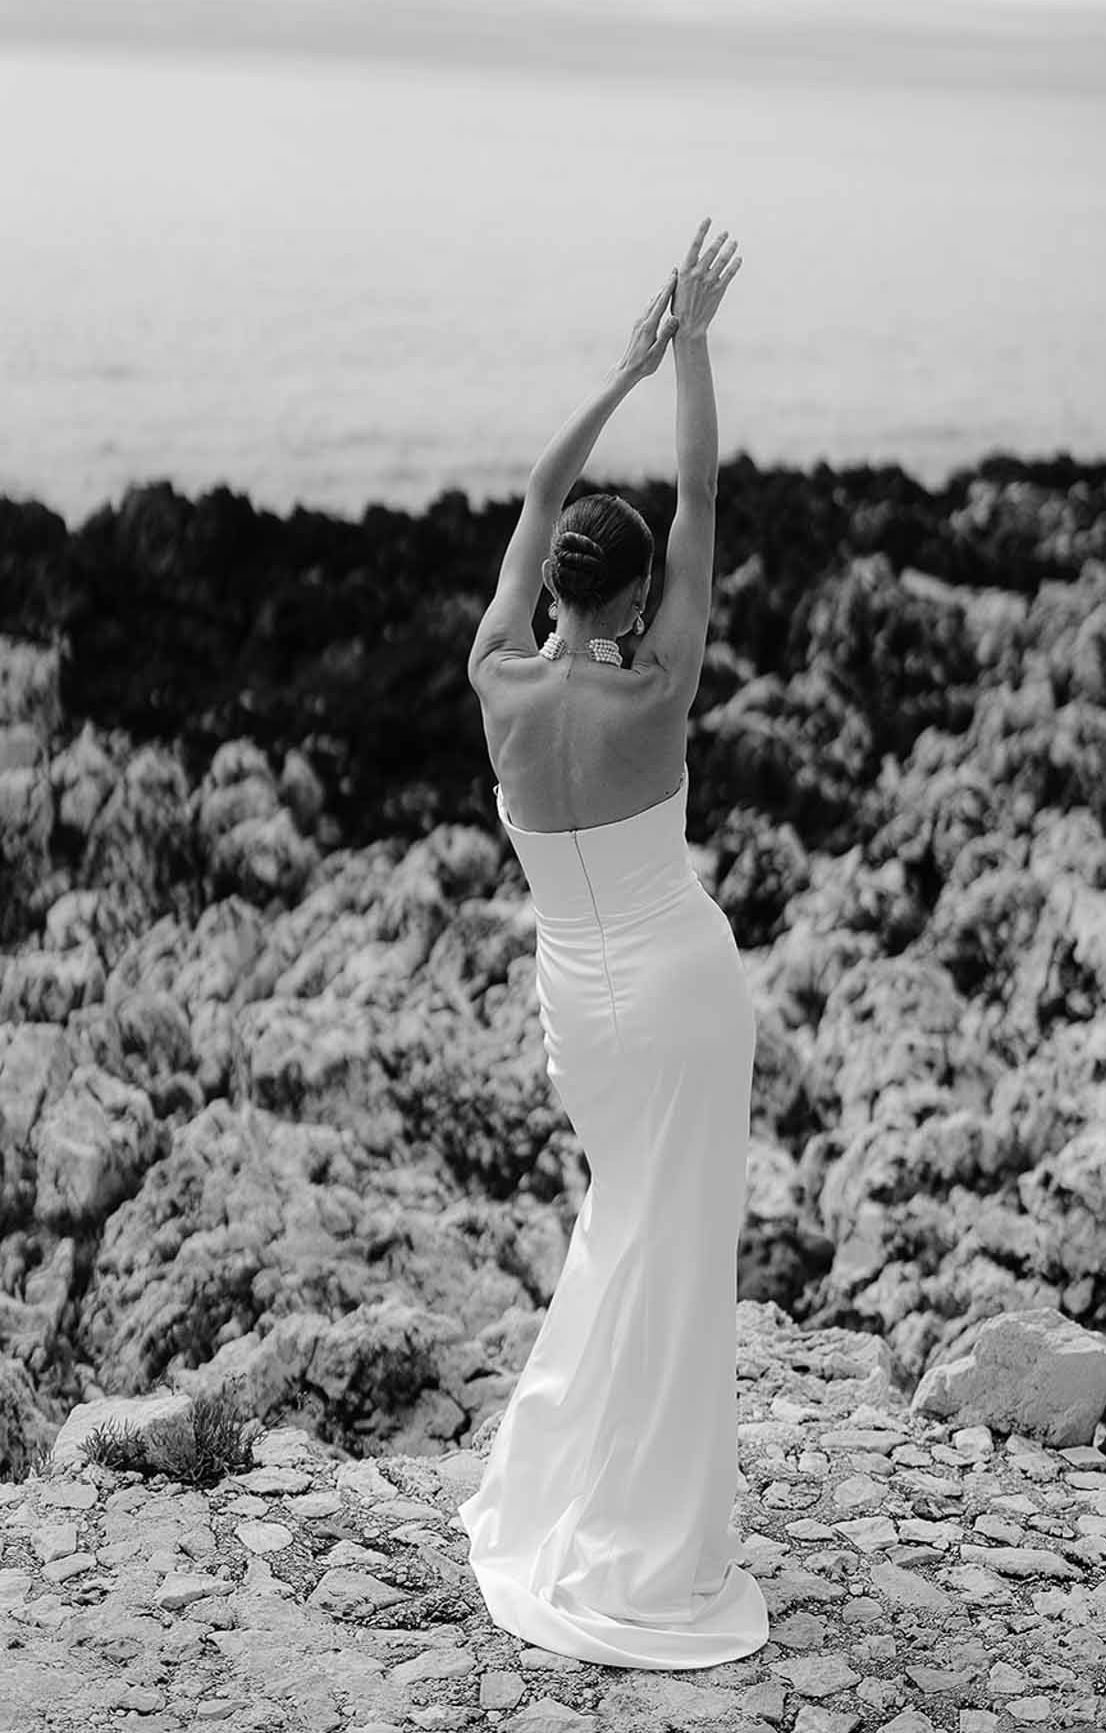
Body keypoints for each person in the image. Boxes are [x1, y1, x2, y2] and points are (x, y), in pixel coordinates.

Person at [457, 219, 768, 1670]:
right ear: (635, 601)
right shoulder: (659, 689)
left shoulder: (498, 683)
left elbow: (535, 492)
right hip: (683, 992)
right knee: (674, 1246)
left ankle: (585, 1482)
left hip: (575, 1005)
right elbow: (700, 491)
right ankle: (651, 1530)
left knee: (623, 1227)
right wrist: (691, 347)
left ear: (553, 595)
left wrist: (618, 365)